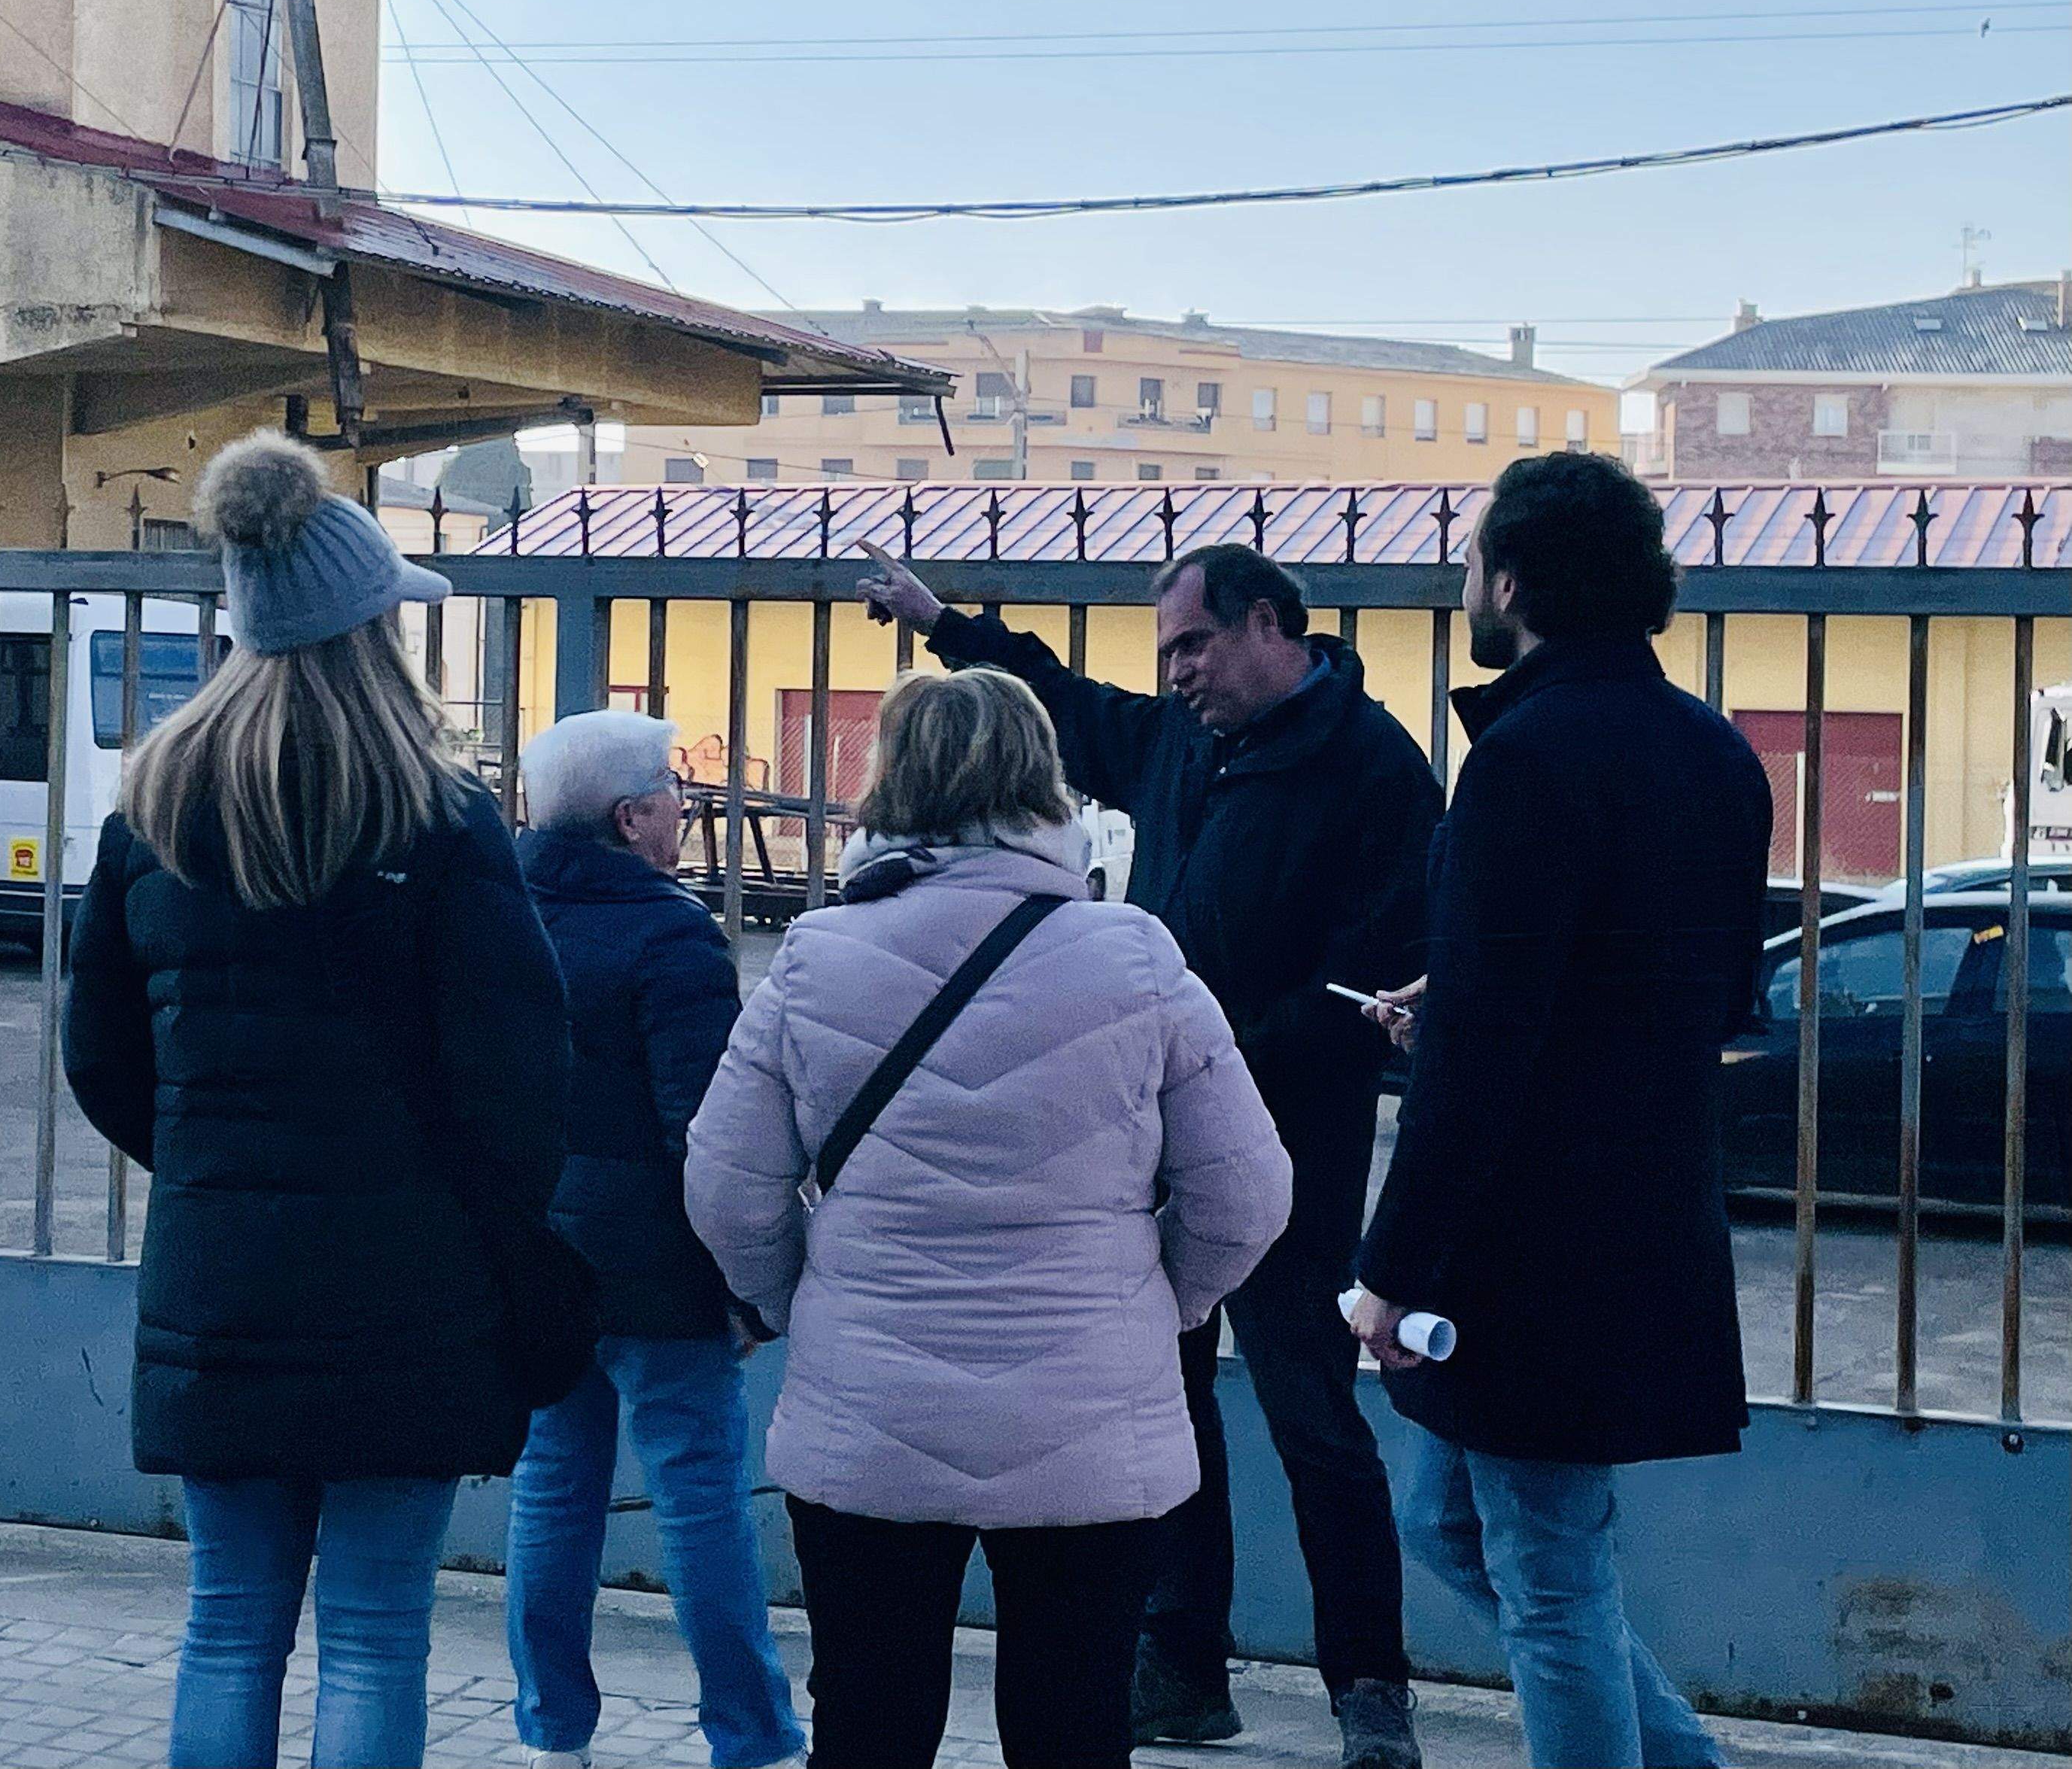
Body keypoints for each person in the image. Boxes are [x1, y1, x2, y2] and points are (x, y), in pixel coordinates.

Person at [857, 540, 1439, 1767]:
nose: (1173, 672)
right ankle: (1181, 1662)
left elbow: (1373, 972)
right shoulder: (1186, 738)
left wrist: (1213, 1044)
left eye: (1193, 645)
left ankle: (1369, 1694)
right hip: (1150, 1139)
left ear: (1271, 626)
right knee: (1162, 1412)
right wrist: (940, 623)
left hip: (1288, 1145)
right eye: (1164, 650)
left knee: (1310, 1415)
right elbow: (1065, 707)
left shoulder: (1375, 767)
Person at [64, 435, 570, 1769]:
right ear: (371, 633)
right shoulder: (438, 814)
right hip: (408, 1285)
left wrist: (213, 1159)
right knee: (374, 1629)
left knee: (228, 1625)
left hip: (218, 1279)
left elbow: (101, 1061)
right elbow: (520, 1070)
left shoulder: (152, 810)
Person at [685, 665, 1294, 1769]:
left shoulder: (815, 959)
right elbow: (1246, 1195)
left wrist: (806, 1297)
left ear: (890, 783)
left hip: (867, 1406)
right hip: (1089, 1415)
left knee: (868, 1723)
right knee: (1073, 1726)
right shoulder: (1134, 957)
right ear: (1042, 783)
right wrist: (1158, 1299)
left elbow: (726, 1189)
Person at [1348, 452, 1772, 1769]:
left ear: (1513, 579)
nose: (1463, 580)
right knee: (1463, 1533)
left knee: (1548, 1584)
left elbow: (1482, 1062)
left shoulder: (1525, 760)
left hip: (1525, 1248)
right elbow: (1695, 1000)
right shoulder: (1716, 754)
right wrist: (1474, 989)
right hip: (1645, 1215)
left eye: (1472, 559)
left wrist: (1386, 1273)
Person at [503, 710, 805, 1769]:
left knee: (552, 1485)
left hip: (533, 1244)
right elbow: (703, 1131)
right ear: (632, 818)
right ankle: (752, 1736)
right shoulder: (671, 934)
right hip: (655, 1260)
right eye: (673, 791)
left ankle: (553, 1733)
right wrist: (748, 1281)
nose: (687, 805)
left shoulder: (499, 907)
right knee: (699, 1496)